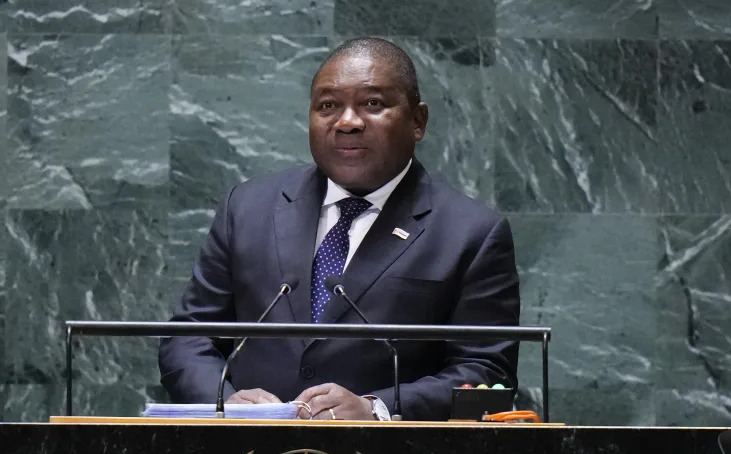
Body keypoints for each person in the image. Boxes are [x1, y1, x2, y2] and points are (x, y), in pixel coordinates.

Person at [159, 37, 519, 422]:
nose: (348, 122)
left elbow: (486, 372)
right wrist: (224, 400)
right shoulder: (248, 208)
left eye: (373, 104)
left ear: (418, 122)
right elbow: (189, 337)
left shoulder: (472, 233)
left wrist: (376, 408)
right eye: (328, 106)